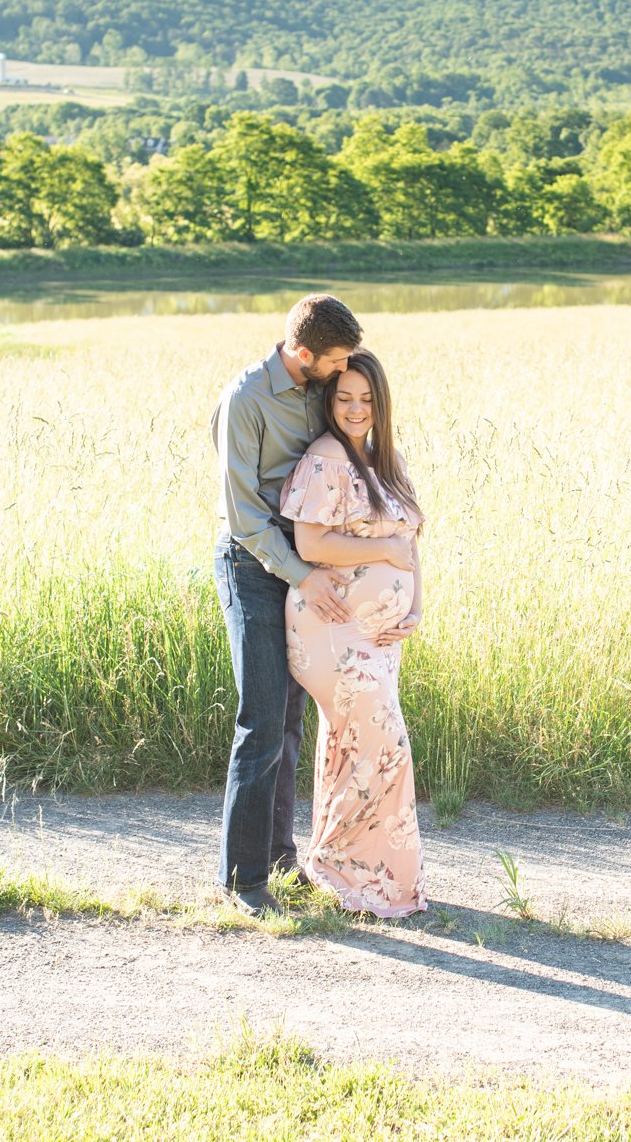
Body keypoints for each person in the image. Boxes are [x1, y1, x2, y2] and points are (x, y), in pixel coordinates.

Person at [213, 294, 363, 917]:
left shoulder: (316, 386)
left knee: (291, 722)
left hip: (304, 567)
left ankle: (279, 858)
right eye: (334, 362)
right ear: (303, 353)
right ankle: (243, 881)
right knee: (262, 722)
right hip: (254, 567)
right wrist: (304, 575)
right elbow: (245, 517)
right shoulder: (245, 399)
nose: (341, 372)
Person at [276, 349, 427, 917]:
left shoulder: (385, 460)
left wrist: (416, 604)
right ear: (329, 402)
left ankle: (346, 874)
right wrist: (382, 549)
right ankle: (346, 873)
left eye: (366, 399)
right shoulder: (325, 459)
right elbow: (311, 545)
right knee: (385, 745)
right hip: (331, 630)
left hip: (380, 636)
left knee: (352, 747)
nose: (355, 408)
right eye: (344, 398)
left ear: (380, 404)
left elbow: (411, 540)